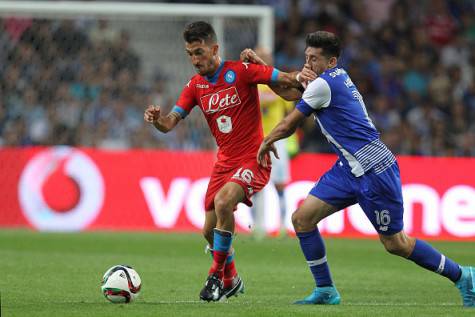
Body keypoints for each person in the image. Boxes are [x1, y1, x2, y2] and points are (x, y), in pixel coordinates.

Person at [255, 31, 475, 307]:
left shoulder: (323, 85)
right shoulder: (333, 78)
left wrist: (264, 142)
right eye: (306, 57)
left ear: (331, 61)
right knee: (302, 219)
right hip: (348, 168)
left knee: (396, 244)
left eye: (314, 59)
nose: (308, 64)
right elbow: (289, 91)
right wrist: (260, 70)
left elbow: (289, 123)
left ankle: (464, 276)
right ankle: (325, 290)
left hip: (375, 170)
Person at [144, 21, 315, 302]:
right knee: (209, 231)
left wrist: (300, 75)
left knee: (224, 203)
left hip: (253, 158)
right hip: (223, 164)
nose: (194, 60)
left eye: (199, 52)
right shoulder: (195, 87)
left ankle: (214, 278)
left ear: (214, 48)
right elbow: (170, 123)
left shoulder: (242, 71)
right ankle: (231, 278)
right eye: (189, 54)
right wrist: (156, 120)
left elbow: (289, 83)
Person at [251, 47, 296, 238]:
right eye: (260, 55)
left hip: (278, 140)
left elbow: (290, 103)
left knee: (279, 185)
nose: (263, 58)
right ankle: (256, 227)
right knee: (254, 185)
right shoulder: (251, 82)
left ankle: (283, 226)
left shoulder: (277, 80)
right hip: (255, 141)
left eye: (266, 56)